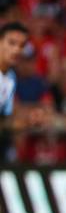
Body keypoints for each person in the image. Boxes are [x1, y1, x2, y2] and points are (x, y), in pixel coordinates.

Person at [0, 21, 28, 163]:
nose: (16, 50)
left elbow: (4, 121)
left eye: (22, 45)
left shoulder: (10, 77)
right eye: (11, 43)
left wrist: (26, 121)